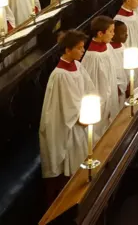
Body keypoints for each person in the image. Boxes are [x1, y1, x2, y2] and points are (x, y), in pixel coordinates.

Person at [39, 30, 95, 197]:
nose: (83, 51)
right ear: (67, 50)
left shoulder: (77, 66)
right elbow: (69, 105)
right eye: (79, 48)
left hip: (79, 121)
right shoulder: (60, 75)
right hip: (68, 125)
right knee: (72, 164)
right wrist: (83, 116)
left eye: (83, 47)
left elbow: (88, 88)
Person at [81, 16, 120, 138]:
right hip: (100, 101)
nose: (113, 34)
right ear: (99, 33)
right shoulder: (93, 57)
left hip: (110, 95)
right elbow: (92, 85)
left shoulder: (107, 47)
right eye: (110, 31)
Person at [110, 21, 128, 108]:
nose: (126, 35)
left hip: (125, 84)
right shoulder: (110, 51)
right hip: (117, 87)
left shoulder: (122, 46)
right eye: (123, 33)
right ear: (113, 34)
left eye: (126, 32)